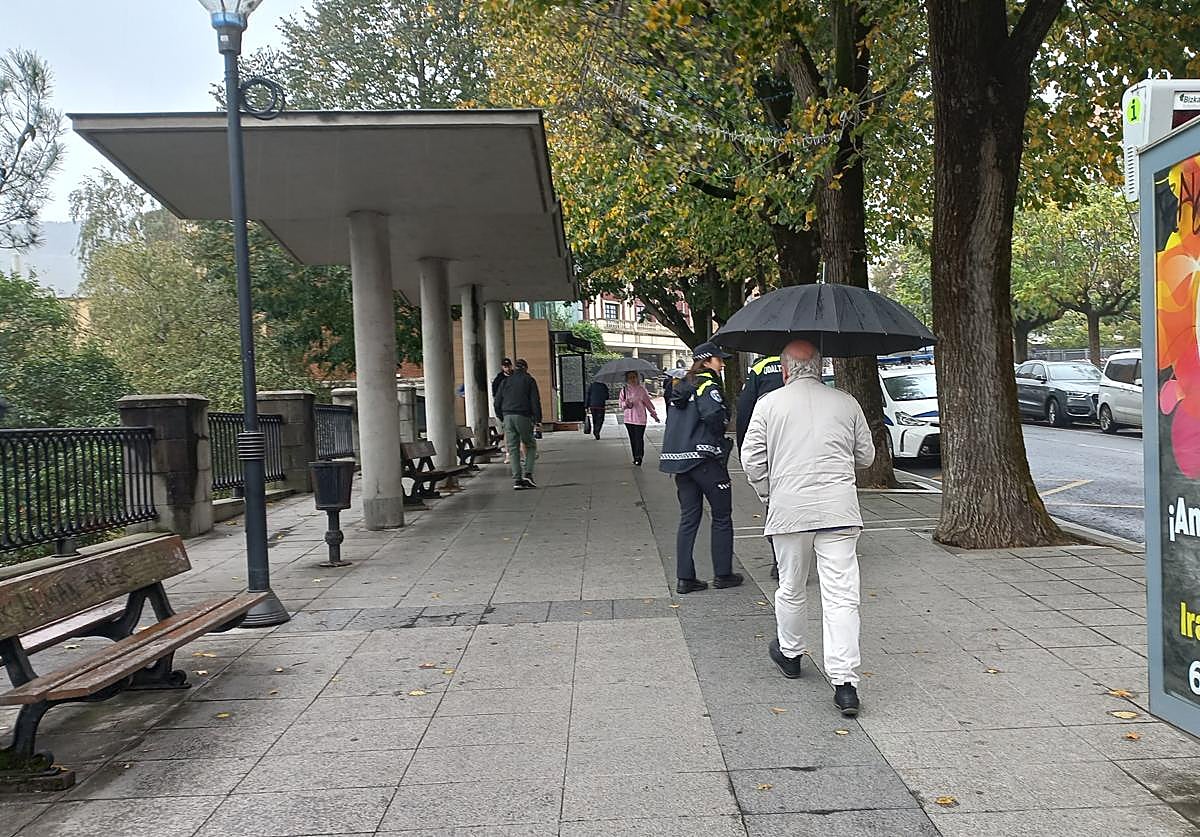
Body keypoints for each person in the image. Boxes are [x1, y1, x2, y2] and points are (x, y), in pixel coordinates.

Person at [741, 339, 875, 717]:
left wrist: (770, 494)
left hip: (789, 511)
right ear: (821, 367)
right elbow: (866, 456)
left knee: (791, 586)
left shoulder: (768, 404)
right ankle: (845, 683)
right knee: (842, 596)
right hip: (839, 511)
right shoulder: (846, 402)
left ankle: (790, 652)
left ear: (784, 370)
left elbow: (751, 460)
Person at [659, 341, 743, 594]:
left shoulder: (680, 386)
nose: (722, 363)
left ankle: (685, 578)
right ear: (707, 361)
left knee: (688, 518)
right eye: (719, 359)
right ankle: (723, 574)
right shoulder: (708, 384)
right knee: (721, 516)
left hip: (680, 463)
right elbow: (715, 416)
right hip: (705, 460)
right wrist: (722, 431)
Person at [736, 355, 784, 579]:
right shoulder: (805, 359)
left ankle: (779, 561)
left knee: (774, 502)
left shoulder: (761, 367)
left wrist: (744, 446)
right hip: (804, 446)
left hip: (772, 444)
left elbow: (745, 408)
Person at [494, 358, 542, 489]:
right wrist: (538, 420)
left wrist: (502, 417)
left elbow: (497, 402)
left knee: (513, 448)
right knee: (530, 444)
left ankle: (517, 480)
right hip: (523, 416)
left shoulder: (505, 381)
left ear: (515, 368)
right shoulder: (529, 380)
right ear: (526, 368)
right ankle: (528, 473)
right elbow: (535, 401)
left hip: (507, 416)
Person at [618, 371, 659, 465]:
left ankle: (639, 457)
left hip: (640, 419)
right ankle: (635, 456)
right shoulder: (624, 390)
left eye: (634, 377)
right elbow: (621, 404)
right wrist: (626, 403)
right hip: (628, 419)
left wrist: (654, 415)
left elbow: (648, 404)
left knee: (639, 438)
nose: (632, 379)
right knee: (632, 439)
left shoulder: (641, 390)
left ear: (637, 378)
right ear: (627, 379)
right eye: (630, 378)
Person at [493, 358, 514, 463]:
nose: (507, 368)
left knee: (514, 433)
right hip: (505, 410)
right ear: (502, 367)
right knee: (507, 433)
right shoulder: (498, 379)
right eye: (505, 366)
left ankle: (515, 453)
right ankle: (508, 453)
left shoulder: (515, 377)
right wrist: (499, 414)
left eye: (508, 366)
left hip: (513, 408)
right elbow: (495, 397)